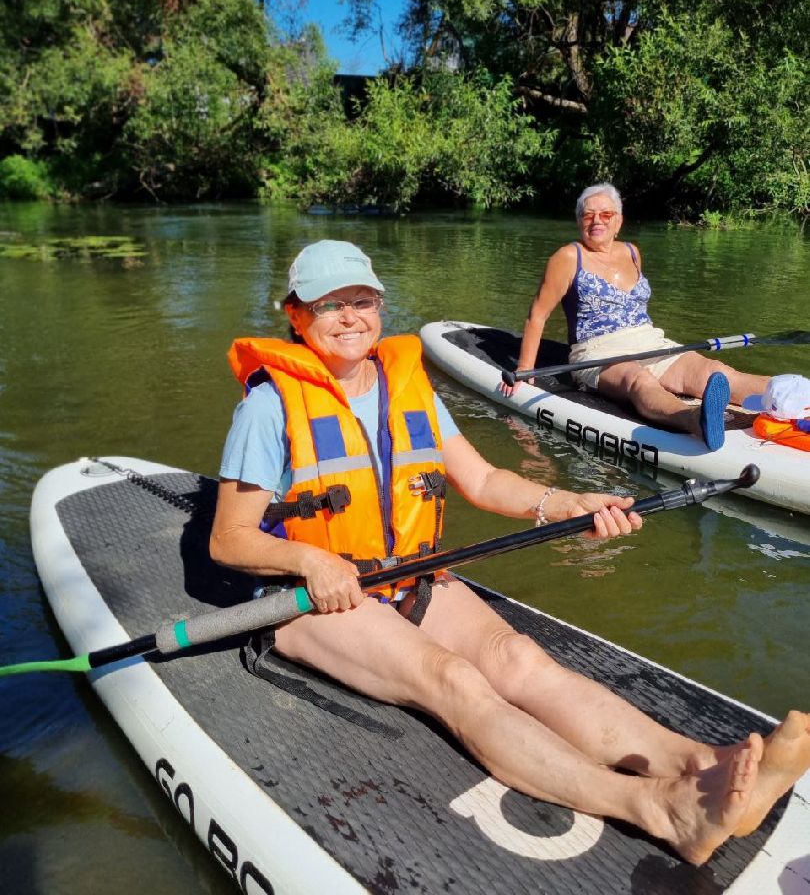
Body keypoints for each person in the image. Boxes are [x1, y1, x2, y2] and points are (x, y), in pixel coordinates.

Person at [211, 238, 810, 866]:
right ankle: (659, 808)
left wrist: (565, 502)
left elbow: (485, 481)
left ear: (380, 306)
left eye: (362, 301)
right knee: (454, 679)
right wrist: (310, 561)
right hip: (313, 597)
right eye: (330, 306)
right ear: (296, 315)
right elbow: (229, 539)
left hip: (405, 574)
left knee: (519, 658)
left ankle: (705, 768)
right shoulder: (268, 406)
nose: (351, 317)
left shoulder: (406, 386)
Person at [501, 183, 771, 451]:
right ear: (579, 221)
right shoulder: (568, 257)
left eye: (606, 214)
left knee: (715, 371)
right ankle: (694, 419)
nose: (597, 221)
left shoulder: (631, 252)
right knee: (639, 380)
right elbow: (538, 314)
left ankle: (790, 394)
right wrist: (525, 370)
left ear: (618, 221)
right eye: (588, 215)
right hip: (597, 352)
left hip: (650, 342)